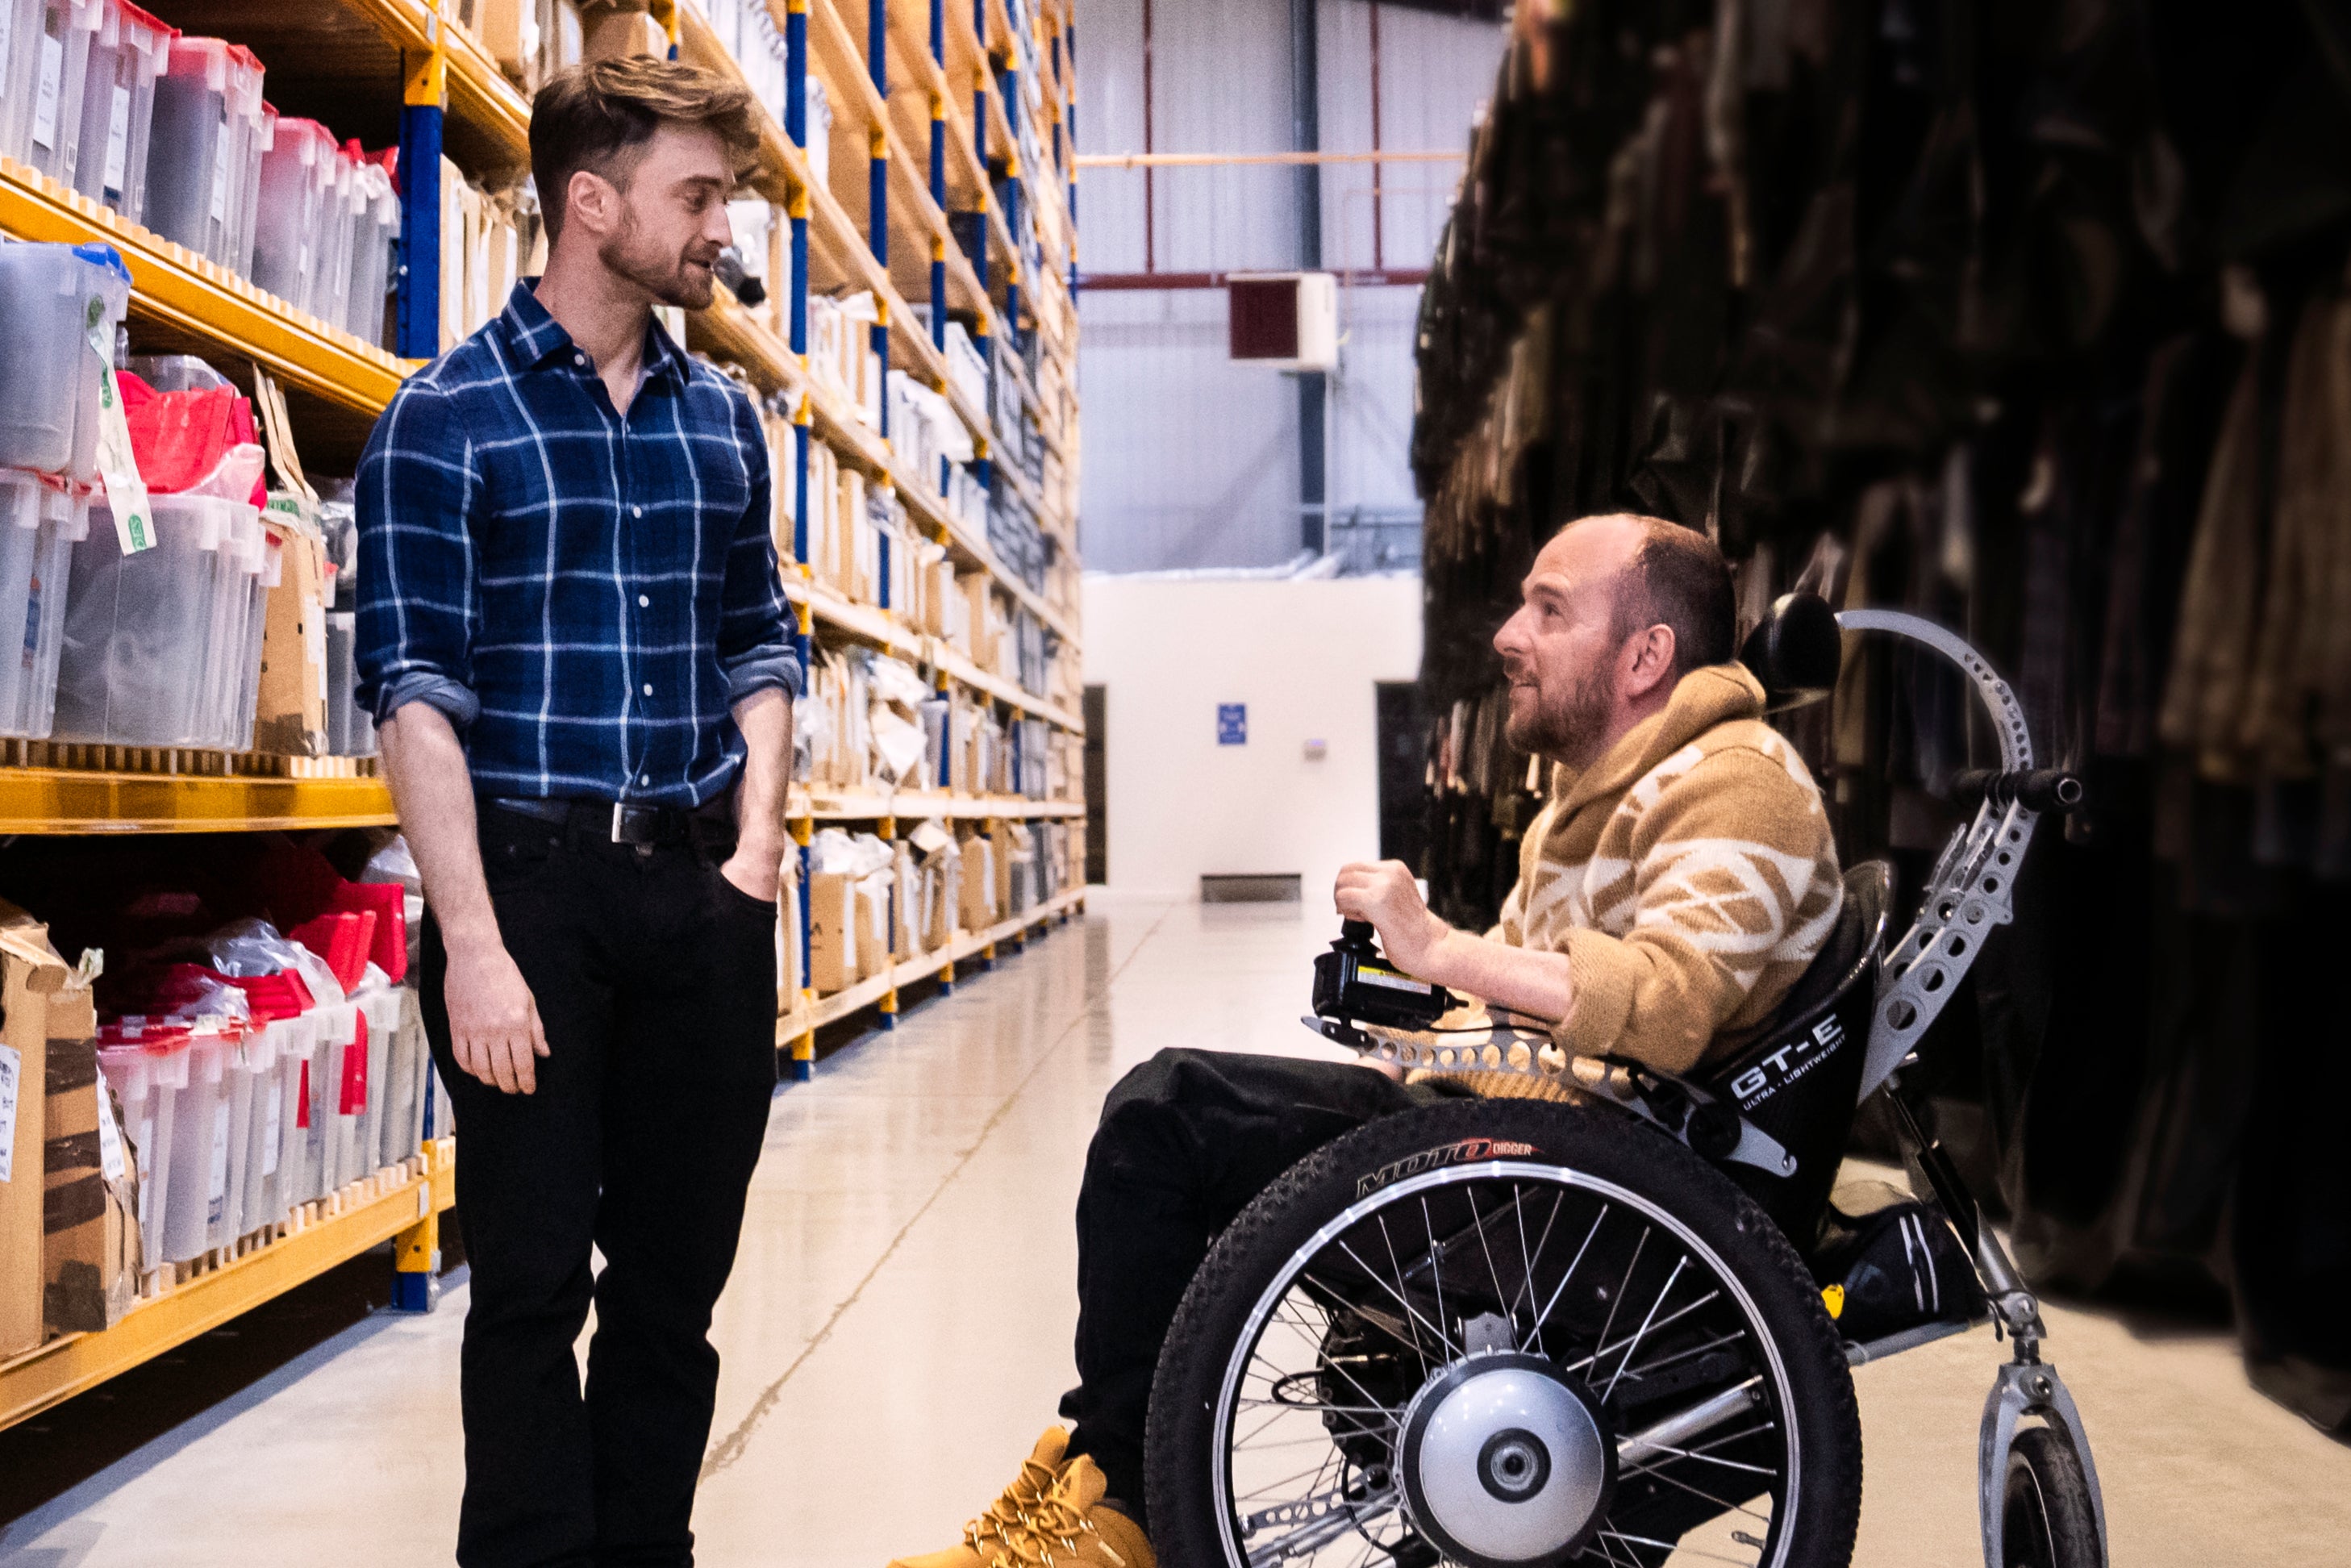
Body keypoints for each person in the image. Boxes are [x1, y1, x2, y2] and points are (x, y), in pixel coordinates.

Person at [887, 513, 1845, 1568]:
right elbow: (1546, 1002)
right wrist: (1421, 1017)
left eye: (1550, 608)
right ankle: (1103, 1473)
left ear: (1647, 656)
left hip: (1573, 1194)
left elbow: (1668, 1004)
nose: (1508, 636)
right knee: (1181, 1110)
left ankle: (1123, 1514)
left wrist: (1440, 949)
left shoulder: (1738, 780)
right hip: (1538, 1148)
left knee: (1165, 1120)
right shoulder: (1603, 787)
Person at [356, 58, 798, 1568]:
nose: (718, 226)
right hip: (528, 892)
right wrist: (472, 946)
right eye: (697, 195)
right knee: (535, 1285)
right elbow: (416, 695)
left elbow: (761, 642)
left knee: (676, 1287)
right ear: (590, 204)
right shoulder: (443, 418)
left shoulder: (721, 420)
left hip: (698, 892)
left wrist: (753, 857)